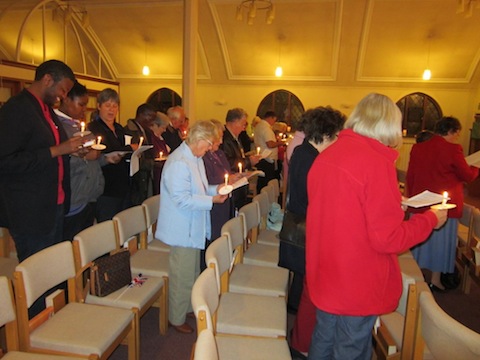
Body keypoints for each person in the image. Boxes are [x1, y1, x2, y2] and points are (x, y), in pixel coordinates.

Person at [306, 93, 447, 360]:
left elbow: (343, 210)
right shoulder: (375, 162)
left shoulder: (328, 155)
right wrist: (429, 220)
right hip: (356, 280)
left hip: (326, 271)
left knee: (323, 340)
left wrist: (394, 205)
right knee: (350, 349)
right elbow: (388, 239)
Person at [0, 59, 82, 262]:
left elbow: (49, 149)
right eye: (62, 90)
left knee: (53, 270)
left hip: (54, 203)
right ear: (47, 79)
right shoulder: (17, 109)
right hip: (30, 211)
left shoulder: (46, 111)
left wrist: (71, 150)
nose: (62, 96)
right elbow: (5, 161)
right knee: (37, 276)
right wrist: (56, 150)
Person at [281, 106, 346, 357]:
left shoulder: (302, 151)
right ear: (326, 133)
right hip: (308, 227)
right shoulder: (311, 158)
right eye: (336, 134)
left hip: (303, 222)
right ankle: (301, 343)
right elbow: (315, 198)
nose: (338, 139)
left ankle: (300, 336)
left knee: (307, 287)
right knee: (311, 289)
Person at [155, 120, 228, 334]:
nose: (210, 149)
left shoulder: (194, 158)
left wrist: (217, 189)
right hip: (181, 227)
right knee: (181, 275)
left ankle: (185, 307)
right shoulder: (179, 162)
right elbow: (182, 199)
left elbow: (201, 189)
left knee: (191, 271)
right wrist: (212, 200)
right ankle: (175, 318)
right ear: (199, 140)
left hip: (192, 224)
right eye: (209, 145)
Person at [407, 116, 479, 291]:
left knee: (419, 241)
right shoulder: (453, 149)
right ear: (451, 131)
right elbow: (467, 176)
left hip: (420, 203)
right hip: (443, 207)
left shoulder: (418, 148)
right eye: (457, 133)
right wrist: (476, 166)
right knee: (441, 245)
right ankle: (436, 280)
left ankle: (414, 278)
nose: (457, 137)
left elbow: (411, 175)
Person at [54, 81, 105, 241]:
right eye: (81, 104)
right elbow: (59, 157)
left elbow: (94, 156)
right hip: (74, 194)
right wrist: (83, 154)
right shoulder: (57, 126)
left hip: (89, 195)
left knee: (85, 244)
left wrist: (105, 158)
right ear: (66, 99)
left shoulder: (79, 126)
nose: (84, 109)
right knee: (71, 245)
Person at [88, 88, 138, 222]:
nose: (111, 110)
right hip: (106, 186)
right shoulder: (93, 128)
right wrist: (128, 148)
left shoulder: (119, 128)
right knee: (108, 227)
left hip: (124, 184)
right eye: (107, 105)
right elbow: (103, 151)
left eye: (115, 106)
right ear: (99, 106)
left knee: (124, 226)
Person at [202, 119, 236, 270]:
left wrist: (234, 177)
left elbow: (226, 172)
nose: (221, 141)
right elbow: (206, 180)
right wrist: (225, 181)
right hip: (213, 202)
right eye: (219, 137)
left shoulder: (220, 154)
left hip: (224, 199)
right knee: (213, 238)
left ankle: (221, 266)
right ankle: (211, 270)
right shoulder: (203, 157)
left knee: (222, 234)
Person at [220, 108, 261, 210]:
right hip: (233, 183)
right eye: (243, 124)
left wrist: (247, 158)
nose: (244, 128)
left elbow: (237, 157)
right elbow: (228, 162)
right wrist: (249, 161)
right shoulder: (225, 139)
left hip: (239, 182)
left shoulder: (235, 137)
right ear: (234, 122)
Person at [124, 103, 157, 205]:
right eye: (151, 117)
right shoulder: (129, 131)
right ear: (141, 115)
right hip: (136, 178)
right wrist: (152, 163)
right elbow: (132, 156)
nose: (152, 120)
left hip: (145, 176)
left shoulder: (146, 131)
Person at [254, 111, 285, 193]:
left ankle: (260, 198)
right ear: (270, 118)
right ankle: (264, 200)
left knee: (262, 181)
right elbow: (270, 144)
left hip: (261, 157)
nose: (274, 123)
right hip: (267, 158)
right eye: (274, 120)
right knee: (267, 181)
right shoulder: (266, 128)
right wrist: (281, 142)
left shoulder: (259, 126)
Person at [150, 112, 170, 194]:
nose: (164, 130)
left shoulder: (160, 138)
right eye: (163, 128)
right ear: (154, 125)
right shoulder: (151, 138)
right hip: (156, 173)